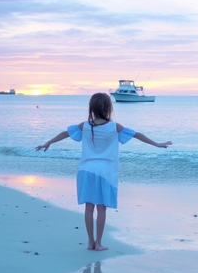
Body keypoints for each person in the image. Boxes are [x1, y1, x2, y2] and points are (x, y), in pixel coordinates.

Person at [36, 93, 172, 251]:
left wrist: (48, 142)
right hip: (105, 173)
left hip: (86, 170)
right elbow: (137, 135)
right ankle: (98, 243)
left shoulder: (85, 125)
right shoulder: (114, 127)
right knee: (101, 208)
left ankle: (90, 242)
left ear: (92, 108)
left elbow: (64, 133)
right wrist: (157, 144)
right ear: (108, 107)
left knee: (89, 207)